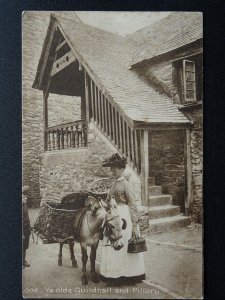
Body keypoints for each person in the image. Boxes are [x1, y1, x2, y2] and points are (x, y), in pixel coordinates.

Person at [99, 153, 145, 285]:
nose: (111, 170)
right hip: (113, 217)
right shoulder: (113, 184)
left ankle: (126, 276)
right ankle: (113, 275)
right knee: (112, 244)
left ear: (120, 168)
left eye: (114, 168)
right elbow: (109, 201)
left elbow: (132, 204)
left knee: (122, 245)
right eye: (111, 168)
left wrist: (135, 225)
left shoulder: (126, 184)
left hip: (124, 218)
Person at [22, 185, 31, 268]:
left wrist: (29, 228)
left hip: (26, 229)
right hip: (22, 230)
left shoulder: (24, 205)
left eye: (26, 196)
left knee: (25, 246)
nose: (25, 198)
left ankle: (23, 261)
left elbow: (27, 219)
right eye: (24, 196)